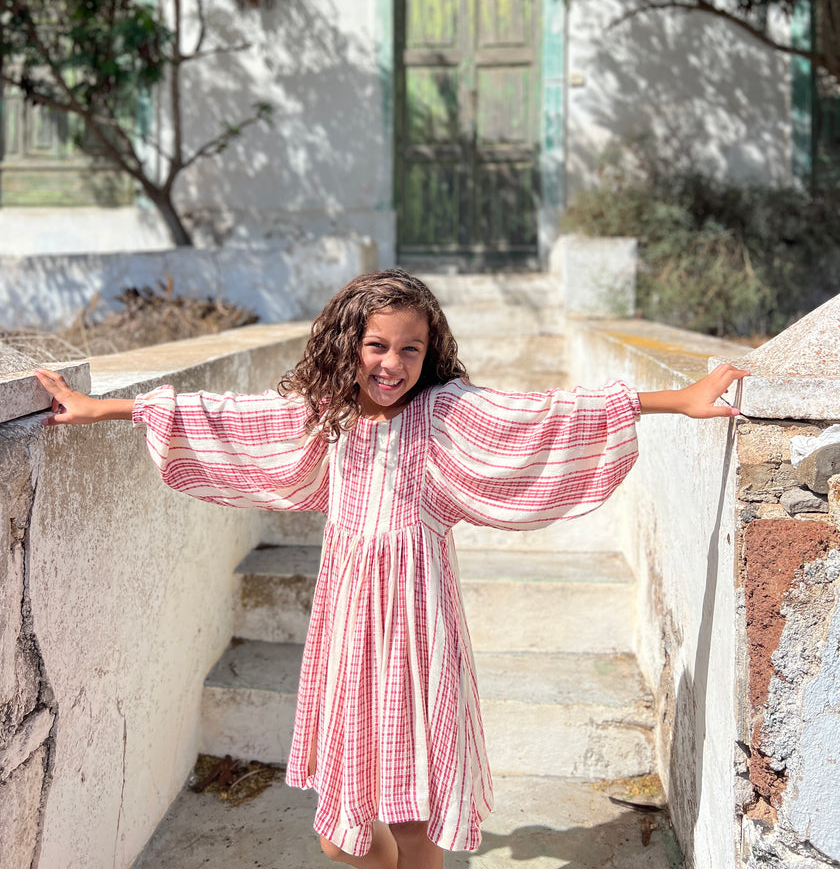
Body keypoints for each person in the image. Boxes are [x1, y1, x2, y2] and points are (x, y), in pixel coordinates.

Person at [34, 269, 747, 869]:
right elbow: (222, 415)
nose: (393, 363)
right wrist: (101, 408)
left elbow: (546, 413)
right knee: (340, 827)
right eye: (377, 345)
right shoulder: (327, 418)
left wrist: (678, 401)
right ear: (349, 344)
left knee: (411, 814)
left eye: (411, 348)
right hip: (348, 625)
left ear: (429, 352)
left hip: (418, 624)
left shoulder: (443, 415)